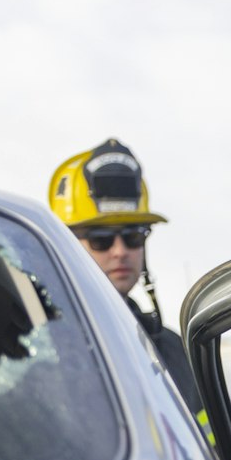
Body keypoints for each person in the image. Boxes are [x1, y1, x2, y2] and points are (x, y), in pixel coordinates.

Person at [48, 138, 204, 420]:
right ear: (65, 246)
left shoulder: (174, 350)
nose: (120, 251)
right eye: (101, 239)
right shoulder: (39, 342)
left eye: (133, 235)